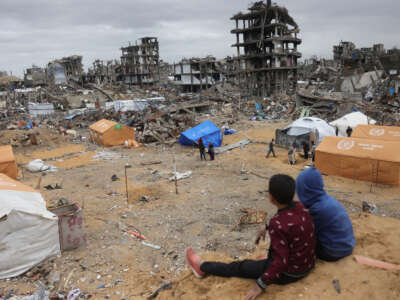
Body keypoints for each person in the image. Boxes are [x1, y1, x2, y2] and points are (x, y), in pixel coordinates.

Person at [186, 174, 316, 300]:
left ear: (271, 198)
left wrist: (260, 285)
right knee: (274, 254)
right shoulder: (301, 207)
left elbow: (281, 263)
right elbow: (290, 225)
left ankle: (201, 267)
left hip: (289, 273)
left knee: (240, 267)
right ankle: (268, 260)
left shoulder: (277, 224)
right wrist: (266, 226)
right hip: (307, 264)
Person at [296, 168, 356, 262]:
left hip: (334, 252)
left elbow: (306, 232)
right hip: (348, 245)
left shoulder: (318, 209)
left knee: (301, 242)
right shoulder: (326, 200)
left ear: (305, 189)